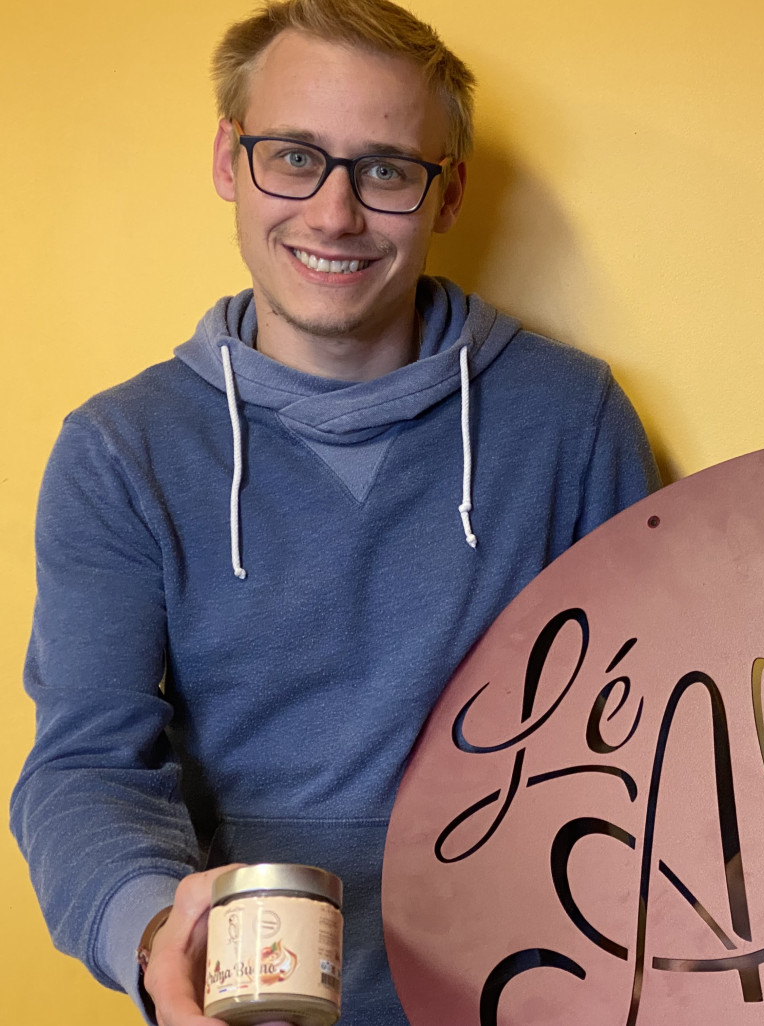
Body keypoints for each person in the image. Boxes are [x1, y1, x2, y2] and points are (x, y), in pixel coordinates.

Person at [8, 1, 658, 1023]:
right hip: (252, 998)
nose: (333, 213)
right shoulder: (117, 451)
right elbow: (87, 765)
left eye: (387, 168)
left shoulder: (574, 419)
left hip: (531, 996)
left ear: (447, 195)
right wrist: (151, 935)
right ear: (229, 159)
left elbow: (647, 739)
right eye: (294, 156)